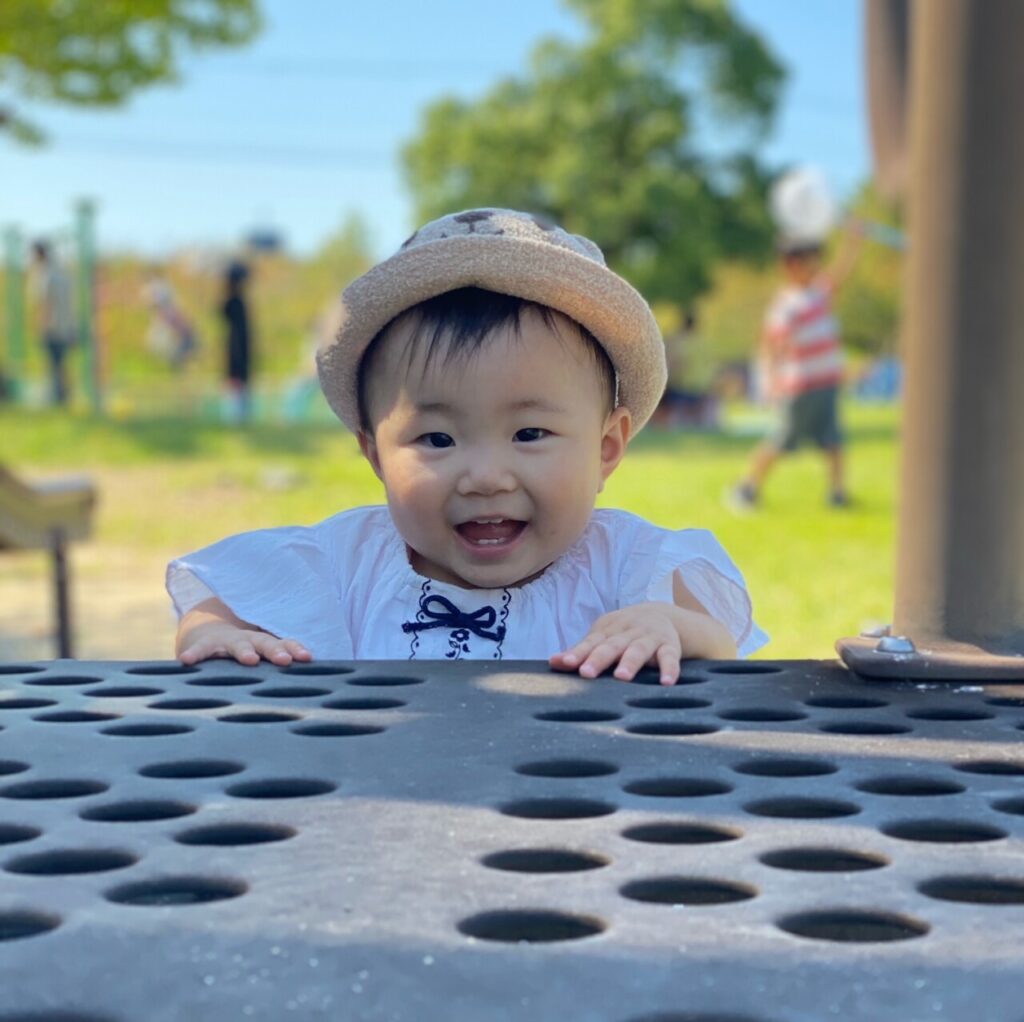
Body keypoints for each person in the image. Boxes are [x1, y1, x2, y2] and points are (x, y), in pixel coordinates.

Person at [168, 209, 766, 685]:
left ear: (606, 448)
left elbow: (719, 652)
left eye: (529, 434)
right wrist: (213, 636)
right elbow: (222, 602)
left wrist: (671, 628)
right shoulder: (348, 565)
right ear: (375, 455)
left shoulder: (628, 568)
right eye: (437, 439)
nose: (485, 476)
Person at [731, 224, 864, 510]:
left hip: (827, 383)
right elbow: (772, 346)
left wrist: (853, 242)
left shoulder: (819, 293)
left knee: (834, 441)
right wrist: (770, 379)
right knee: (781, 441)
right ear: (791, 265)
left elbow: (841, 272)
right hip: (801, 387)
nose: (817, 266)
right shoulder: (787, 305)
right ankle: (747, 488)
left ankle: (837, 494)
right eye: (810, 261)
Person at [30, 240, 77, 406]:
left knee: (54, 364)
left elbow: (46, 302)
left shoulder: (45, 275)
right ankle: (63, 395)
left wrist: (42, 324)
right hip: (66, 325)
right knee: (60, 363)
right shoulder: (62, 272)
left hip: (52, 326)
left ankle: (58, 397)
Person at [142, 265, 198, 370]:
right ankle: (173, 363)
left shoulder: (158, 286)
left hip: (166, 316)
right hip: (165, 317)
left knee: (165, 341)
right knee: (163, 341)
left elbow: (159, 303)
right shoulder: (160, 285)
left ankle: (175, 363)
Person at [221, 260, 253, 422]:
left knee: (239, 382)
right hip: (236, 347)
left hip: (239, 347)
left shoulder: (236, 301)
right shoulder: (234, 302)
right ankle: (235, 416)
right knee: (236, 382)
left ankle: (239, 415)